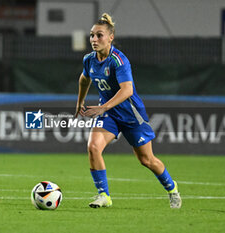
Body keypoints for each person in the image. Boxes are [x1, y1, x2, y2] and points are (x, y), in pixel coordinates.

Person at [75, 13, 182, 209]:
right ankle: (104, 196)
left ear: (110, 37)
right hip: (109, 114)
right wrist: (80, 101)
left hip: (132, 115)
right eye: (91, 35)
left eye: (99, 35)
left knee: (147, 160)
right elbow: (84, 79)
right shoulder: (89, 60)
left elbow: (127, 90)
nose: (94, 39)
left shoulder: (119, 60)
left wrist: (103, 106)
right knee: (93, 147)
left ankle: (172, 187)